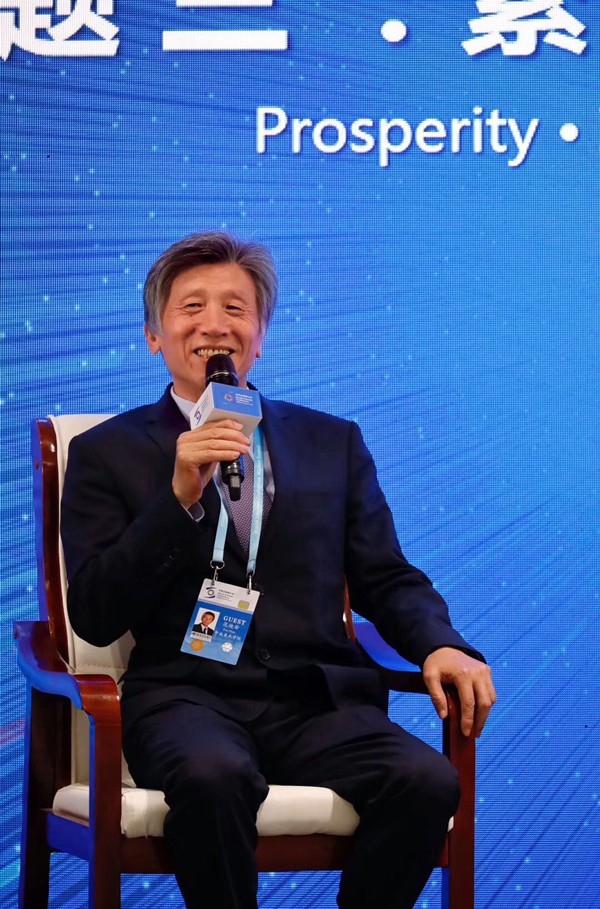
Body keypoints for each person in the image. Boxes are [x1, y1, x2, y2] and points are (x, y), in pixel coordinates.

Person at [61, 231, 496, 909]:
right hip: (185, 698)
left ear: (259, 335)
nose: (215, 324)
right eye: (192, 307)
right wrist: (178, 499)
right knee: (214, 777)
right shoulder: (105, 452)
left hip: (315, 700)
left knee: (426, 779)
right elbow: (93, 610)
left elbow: (386, 575)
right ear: (154, 335)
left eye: (236, 308)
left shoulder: (331, 441)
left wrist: (442, 644)